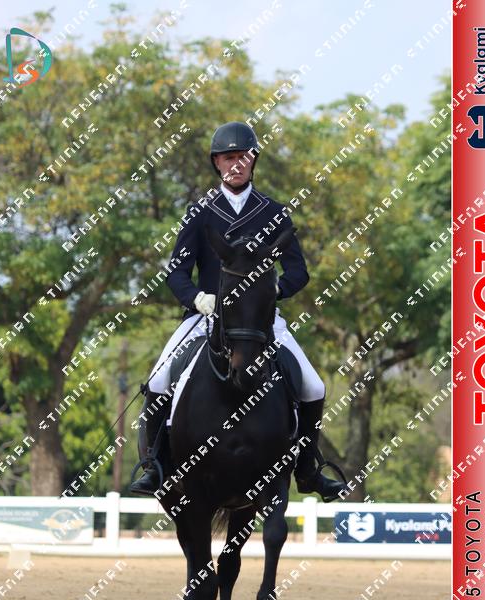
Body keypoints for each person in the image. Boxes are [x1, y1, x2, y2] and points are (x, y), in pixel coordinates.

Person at [130, 121, 348, 501]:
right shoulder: (200, 212)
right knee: (160, 379)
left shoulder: (274, 212)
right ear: (217, 163)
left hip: (260, 321)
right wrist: (198, 299)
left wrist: (272, 292)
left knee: (314, 385)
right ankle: (155, 465)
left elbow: (298, 272)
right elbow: (177, 272)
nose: (236, 164)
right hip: (205, 318)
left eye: (243, 157)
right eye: (228, 157)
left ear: (253, 162)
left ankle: (309, 469)